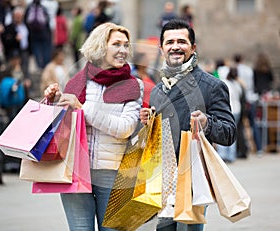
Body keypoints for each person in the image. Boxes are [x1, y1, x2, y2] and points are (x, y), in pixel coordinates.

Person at [43, 22, 143, 231]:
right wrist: (53, 101)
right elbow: (62, 125)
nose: (123, 50)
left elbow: (125, 128)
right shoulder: (77, 82)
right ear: (100, 46)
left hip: (113, 173)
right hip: (75, 170)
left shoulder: (133, 85)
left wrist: (81, 107)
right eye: (116, 44)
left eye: (126, 45)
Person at [140, 19, 236, 231]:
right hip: (161, 182)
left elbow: (229, 133)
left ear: (193, 48)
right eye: (170, 42)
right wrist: (147, 126)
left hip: (193, 180)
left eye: (182, 41)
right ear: (162, 48)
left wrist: (207, 123)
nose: (175, 46)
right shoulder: (157, 91)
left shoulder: (212, 86)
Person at [234, 53, 262, 155]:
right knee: (253, 124)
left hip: (242, 100)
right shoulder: (249, 70)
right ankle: (259, 148)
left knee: (239, 126)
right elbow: (252, 84)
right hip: (251, 98)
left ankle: (240, 150)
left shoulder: (236, 70)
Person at [217, 67, 243, 163]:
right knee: (232, 133)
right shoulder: (236, 84)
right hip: (237, 110)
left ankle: (223, 154)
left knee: (222, 131)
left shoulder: (224, 83)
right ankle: (231, 155)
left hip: (229, 110)